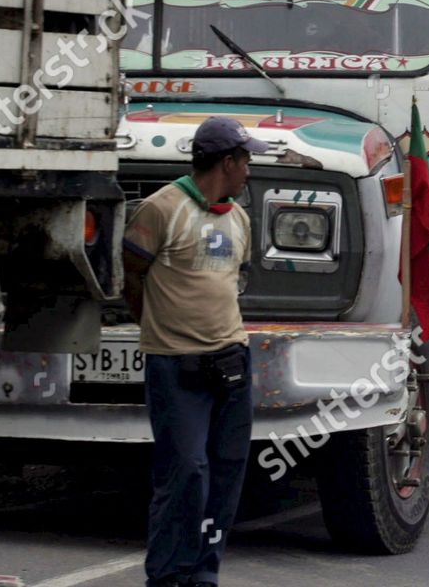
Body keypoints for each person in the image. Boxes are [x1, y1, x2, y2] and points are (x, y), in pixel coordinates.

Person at [122, 116, 265, 587]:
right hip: (175, 365)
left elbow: (234, 283)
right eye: (246, 161)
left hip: (231, 363)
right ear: (228, 162)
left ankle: (204, 574)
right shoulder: (160, 209)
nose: (249, 170)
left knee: (226, 476)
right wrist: (158, 328)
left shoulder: (239, 217)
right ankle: (166, 576)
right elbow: (132, 275)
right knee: (185, 472)